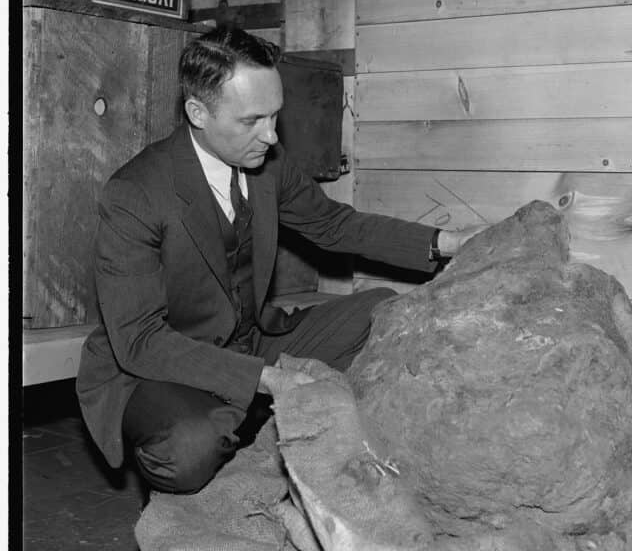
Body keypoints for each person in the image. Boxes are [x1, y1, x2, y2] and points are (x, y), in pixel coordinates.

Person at [76, 27, 479, 495]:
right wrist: (269, 381)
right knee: (187, 449)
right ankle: (237, 431)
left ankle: (255, 426)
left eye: (274, 116)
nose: (270, 135)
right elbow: (142, 341)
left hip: (250, 341)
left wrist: (447, 241)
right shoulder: (135, 194)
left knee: (384, 312)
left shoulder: (266, 162)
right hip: (164, 366)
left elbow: (333, 225)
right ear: (198, 113)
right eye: (251, 120)